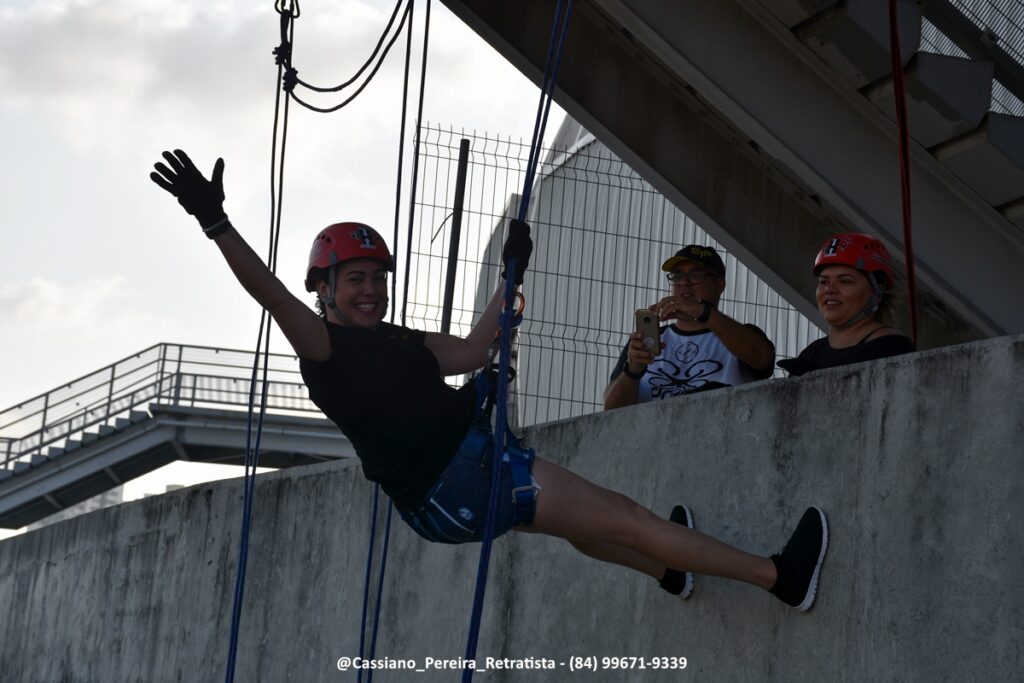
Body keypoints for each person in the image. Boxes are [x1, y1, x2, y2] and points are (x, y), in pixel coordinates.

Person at [150, 149, 828, 611]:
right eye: (355, 280)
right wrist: (215, 222)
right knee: (626, 516)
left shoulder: (400, 341)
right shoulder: (323, 347)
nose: (371, 291)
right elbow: (268, 293)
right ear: (323, 289)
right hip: (465, 477)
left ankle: (668, 569)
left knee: (577, 524)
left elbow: (477, 348)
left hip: (450, 493)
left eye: (378, 280)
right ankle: (778, 576)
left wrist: (512, 274)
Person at [604, 245, 775, 410]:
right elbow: (610, 412)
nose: (684, 283)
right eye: (677, 276)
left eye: (696, 275)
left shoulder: (738, 336)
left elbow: (763, 358)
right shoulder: (647, 341)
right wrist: (632, 370)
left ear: (720, 284)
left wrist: (703, 311)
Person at [779, 233, 915, 377]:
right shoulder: (811, 353)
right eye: (823, 281)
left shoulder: (893, 349)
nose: (829, 289)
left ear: (878, 292)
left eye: (845, 281)